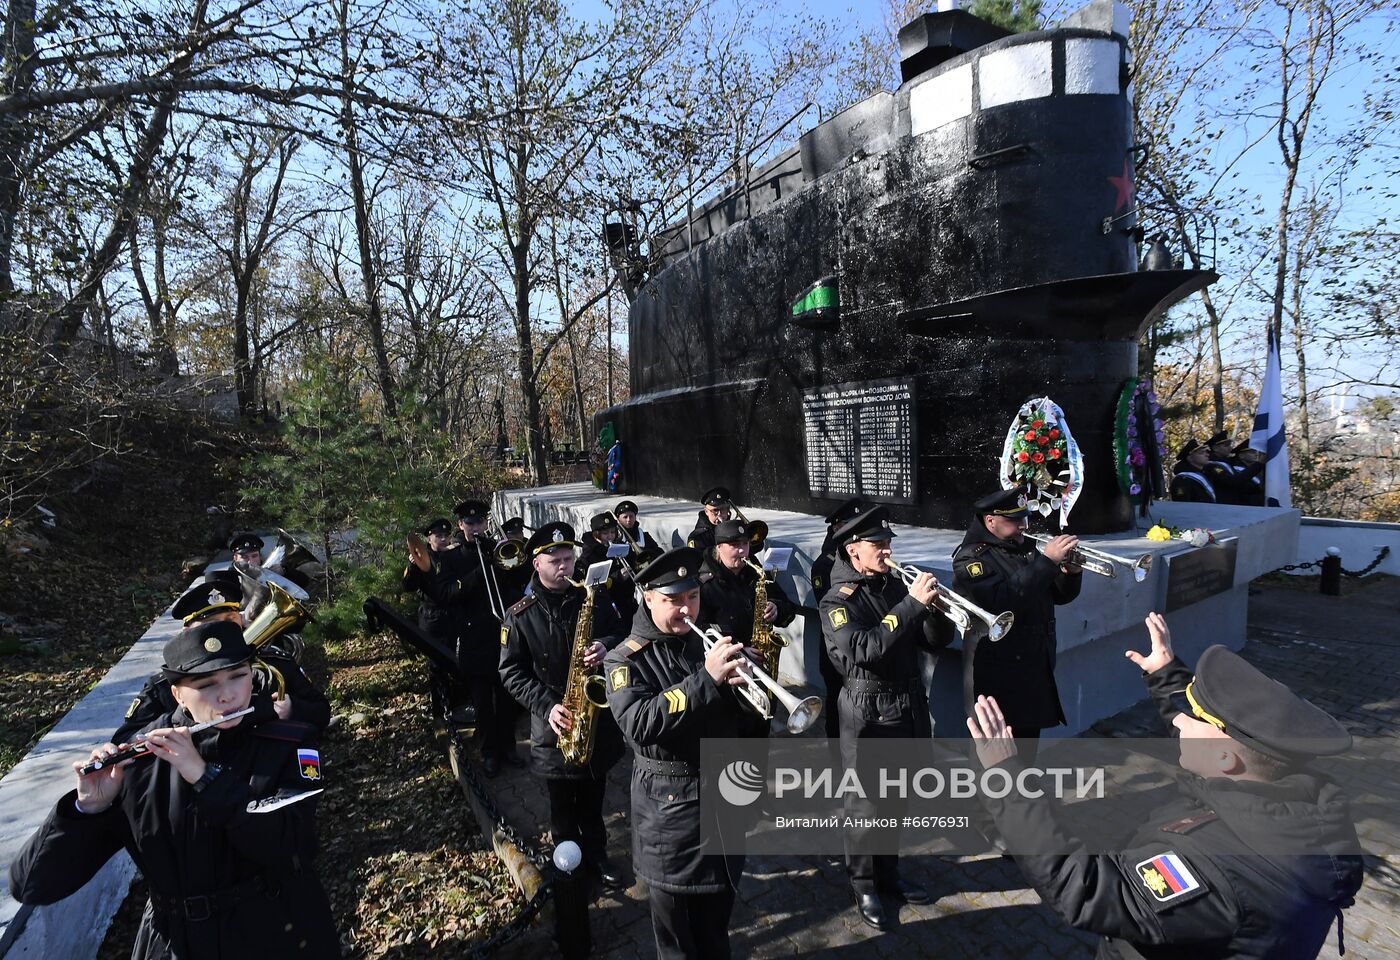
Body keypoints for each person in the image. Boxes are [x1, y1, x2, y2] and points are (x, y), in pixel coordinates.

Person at [966, 613, 1363, 959]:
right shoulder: (1282, 794)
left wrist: (1007, 775)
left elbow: (1083, 889)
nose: (1177, 723)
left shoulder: (1216, 869)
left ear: (1228, 759)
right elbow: (1213, 743)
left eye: (1194, 719)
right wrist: (1166, 673)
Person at [9, 620, 338, 960]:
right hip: (173, 943)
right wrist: (86, 809)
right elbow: (32, 885)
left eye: (238, 676)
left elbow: (287, 843)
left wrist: (204, 777)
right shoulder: (140, 761)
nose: (227, 695)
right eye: (206, 684)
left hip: (277, 931)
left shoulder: (288, 742)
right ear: (177, 694)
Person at [603, 547, 750, 959]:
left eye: (692, 597)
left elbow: (742, 724)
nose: (687, 610)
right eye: (673, 600)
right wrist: (708, 679)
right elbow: (639, 723)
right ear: (648, 598)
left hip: (723, 797)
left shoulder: (707, 639)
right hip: (670, 812)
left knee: (717, 922)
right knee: (678, 939)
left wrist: (749, 682)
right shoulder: (623, 659)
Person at [820, 506, 952, 931]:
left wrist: (933, 612)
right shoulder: (837, 600)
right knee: (864, 807)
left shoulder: (895, 582)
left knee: (895, 799)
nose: (888, 549)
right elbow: (865, 650)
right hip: (867, 712)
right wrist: (912, 605)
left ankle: (889, 874)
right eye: (879, 544)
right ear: (853, 550)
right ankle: (863, 884)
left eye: (888, 542)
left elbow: (931, 642)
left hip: (906, 702)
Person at [499, 523, 628, 890]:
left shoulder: (594, 598)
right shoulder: (520, 615)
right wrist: (548, 707)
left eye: (569, 558)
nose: (565, 567)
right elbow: (510, 672)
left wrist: (606, 646)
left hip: (596, 718)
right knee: (561, 809)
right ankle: (568, 866)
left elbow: (623, 632)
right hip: (553, 722)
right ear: (536, 563)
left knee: (594, 798)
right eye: (555, 560)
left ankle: (598, 856)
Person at [114, 576, 330, 745]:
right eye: (210, 624)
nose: (223, 631)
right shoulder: (164, 685)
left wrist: (293, 709)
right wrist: (182, 720)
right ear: (186, 631)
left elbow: (321, 712)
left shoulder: (274, 662)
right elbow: (125, 740)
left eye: (230, 621)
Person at [952, 487, 1082, 764]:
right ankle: (988, 805)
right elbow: (1000, 601)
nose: (1024, 525)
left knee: (1025, 748)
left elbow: (1059, 595)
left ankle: (1023, 798)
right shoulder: (971, 558)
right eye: (1014, 519)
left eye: (1024, 517)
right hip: (996, 673)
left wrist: (1071, 573)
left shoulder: (1026, 548)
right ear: (990, 521)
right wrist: (1046, 562)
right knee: (994, 751)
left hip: (1033, 665)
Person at [408, 498, 523, 776]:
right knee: (483, 701)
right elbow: (446, 594)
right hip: (473, 635)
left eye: (480, 522)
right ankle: (489, 752)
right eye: (469, 523)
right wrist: (478, 573)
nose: (476, 527)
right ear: (461, 525)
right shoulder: (450, 558)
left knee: (507, 696)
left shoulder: (496, 548)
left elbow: (514, 584)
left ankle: (508, 747)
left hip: (503, 632)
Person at [698, 518, 797, 738]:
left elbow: (788, 607)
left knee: (759, 735)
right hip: (729, 679)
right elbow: (699, 632)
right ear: (719, 548)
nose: (742, 551)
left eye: (745, 544)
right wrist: (737, 649)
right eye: (734, 545)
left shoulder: (757, 572)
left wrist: (777, 609)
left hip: (762, 669)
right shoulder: (704, 585)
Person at [810, 498, 867, 740]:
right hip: (837, 652)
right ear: (837, 529)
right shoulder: (825, 565)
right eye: (850, 526)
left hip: (864, 649)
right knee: (838, 710)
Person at [578, 511, 639, 625]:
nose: (610, 536)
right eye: (605, 533)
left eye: (612, 532)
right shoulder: (589, 555)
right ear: (596, 534)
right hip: (607, 607)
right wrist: (618, 576)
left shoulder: (620, 546)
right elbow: (593, 584)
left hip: (627, 601)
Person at [615, 499, 663, 564]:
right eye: (625, 517)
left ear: (635, 517)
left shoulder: (644, 535)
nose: (629, 520)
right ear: (618, 519)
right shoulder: (614, 537)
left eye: (631, 516)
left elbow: (657, 551)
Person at [687, 486, 733, 552]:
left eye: (723, 509)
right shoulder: (698, 538)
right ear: (706, 511)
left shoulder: (734, 529)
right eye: (715, 510)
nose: (719, 514)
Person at [1230, 442, 1266, 507]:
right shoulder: (1235, 469)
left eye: (1256, 452)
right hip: (1244, 505)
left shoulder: (1256, 469)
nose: (1256, 454)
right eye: (1252, 452)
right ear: (1241, 456)